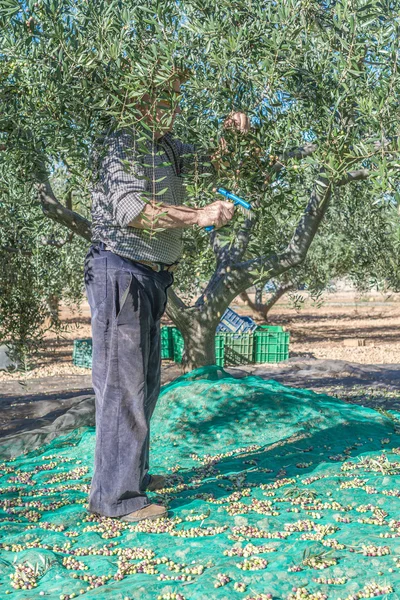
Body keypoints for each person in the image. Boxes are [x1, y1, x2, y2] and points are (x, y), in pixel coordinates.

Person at [84, 72, 250, 523]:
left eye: (175, 98)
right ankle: (115, 500)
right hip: (120, 270)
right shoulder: (125, 143)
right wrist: (199, 215)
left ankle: (128, 476)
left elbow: (209, 167)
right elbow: (131, 211)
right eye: (162, 98)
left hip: (151, 276)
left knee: (145, 383)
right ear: (137, 100)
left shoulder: (169, 147)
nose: (171, 107)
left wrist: (228, 136)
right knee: (123, 386)